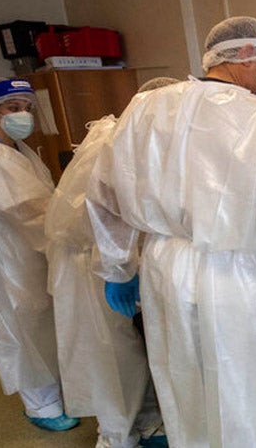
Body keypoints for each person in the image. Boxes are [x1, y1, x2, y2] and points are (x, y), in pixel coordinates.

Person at [86, 16, 256, 448]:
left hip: (164, 270)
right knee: (249, 400)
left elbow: (106, 192)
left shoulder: (144, 109)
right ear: (243, 54)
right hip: (238, 279)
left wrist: (118, 265)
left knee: (186, 395)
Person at [45, 77, 179, 448]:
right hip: (91, 264)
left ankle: (148, 422)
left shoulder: (141, 140)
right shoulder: (113, 144)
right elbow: (99, 219)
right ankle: (115, 436)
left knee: (133, 353)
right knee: (111, 357)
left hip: (112, 261)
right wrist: (118, 269)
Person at [0, 77, 79, 431]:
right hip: (3, 249)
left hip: (25, 245)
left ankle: (54, 393)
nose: (22, 115)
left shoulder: (17, 149)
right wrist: (70, 229)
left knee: (39, 319)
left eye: (26, 108)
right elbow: (26, 209)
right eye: (12, 108)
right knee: (18, 324)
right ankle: (41, 407)